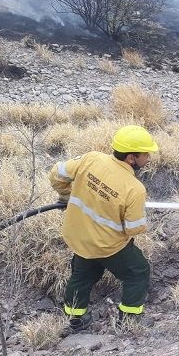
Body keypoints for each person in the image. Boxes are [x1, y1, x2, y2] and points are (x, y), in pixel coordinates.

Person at [49, 125, 158, 331]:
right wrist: (140, 216)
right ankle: (128, 320)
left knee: (82, 275)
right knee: (138, 271)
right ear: (131, 158)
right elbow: (134, 229)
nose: (149, 157)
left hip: (79, 237)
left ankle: (73, 319)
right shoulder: (134, 189)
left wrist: (66, 195)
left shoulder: (91, 158)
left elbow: (57, 173)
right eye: (145, 153)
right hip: (109, 247)